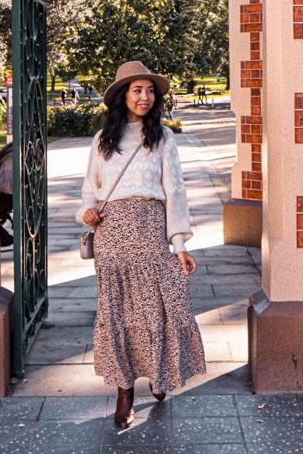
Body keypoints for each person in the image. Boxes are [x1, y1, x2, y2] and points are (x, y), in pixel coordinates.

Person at [76, 61, 206, 428]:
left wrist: (179, 243)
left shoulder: (163, 138)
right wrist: (87, 211)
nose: (145, 97)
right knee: (117, 312)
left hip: (150, 231)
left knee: (157, 307)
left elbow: (175, 191)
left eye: (150, 91)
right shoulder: (102, 140)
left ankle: (159, 371)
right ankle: (125, 391)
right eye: (137, 90)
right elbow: (89, 189)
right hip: (112, 235)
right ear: (123, 96)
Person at [0, 142, 14, 250]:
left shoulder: (10, 152)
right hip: (4, 196)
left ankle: (3, 237)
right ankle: (3, 237)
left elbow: (5, 187)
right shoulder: (12, 153)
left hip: (4, 196)